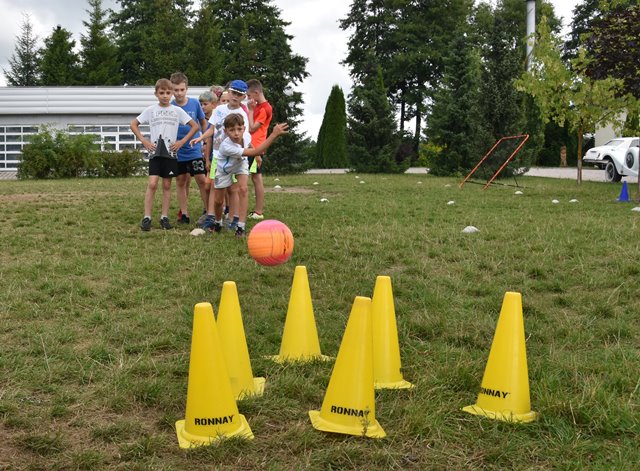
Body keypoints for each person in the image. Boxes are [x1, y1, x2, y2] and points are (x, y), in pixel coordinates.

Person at [191, 114, 288, 237]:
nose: (236, 133)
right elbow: (255, 151)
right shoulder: (226, 146)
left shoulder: (246, 135)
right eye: (232, 130)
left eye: (239, 129)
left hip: (241, 163)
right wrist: (273, 135)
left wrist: (257, 156)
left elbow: (250, 144)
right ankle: (218, 222)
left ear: (244, 129)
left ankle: (240, 227)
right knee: (218, 201)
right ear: (225, 131)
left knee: (243, 189)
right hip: (224, 170)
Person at [131, 78, 198, 231]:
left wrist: (182, 142)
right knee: (152, 184)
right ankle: (147, 217)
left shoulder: (177, 111)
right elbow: (133, 124)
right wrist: (144, 141)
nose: (165, 96)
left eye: (168, 92)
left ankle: (164, 217)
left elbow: (194, 126)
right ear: (156, 94)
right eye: (162, 93)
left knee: (167, 185)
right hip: (155, 153)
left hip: (170, 154)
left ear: (172, 93)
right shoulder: (151, 110)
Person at [196, 80, 252, 231]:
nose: (235, 97)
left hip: (234, 157)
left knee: (234, 189)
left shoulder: (242, 114)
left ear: (243, 97)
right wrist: (201, 138)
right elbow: (211, 130)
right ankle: (212, 217)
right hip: (217, 156)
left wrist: (245, 149)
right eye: (233, 93)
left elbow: (245, 135)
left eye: (239, 95)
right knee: (214, 186)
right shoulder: (219, 110)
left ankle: (233, 219)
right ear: (229, 92)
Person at [170, 72, 209, 225]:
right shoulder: (170, 106)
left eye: (182, 89)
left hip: (194, 148)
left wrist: (204, 140)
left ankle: (208, 211)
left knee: (201, 179)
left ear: (187, 89)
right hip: (177, 150)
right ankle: (184, 213)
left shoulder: (194, 103)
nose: (179, 93)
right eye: (176, 90)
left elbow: (203, 123)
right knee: (181, 180)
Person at [246, 79, 273, 220]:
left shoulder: (265, 108)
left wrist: (250, 111)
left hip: (256, 148)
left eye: (249, 95)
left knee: (256, 178)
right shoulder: (258, 106)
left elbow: (252, 128)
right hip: (250, 146)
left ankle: (258, 211)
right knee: (253, 177)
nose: (248, 98)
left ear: (256, 93)